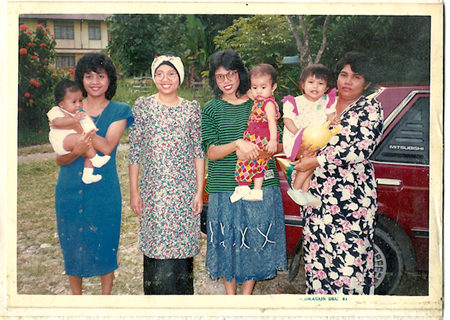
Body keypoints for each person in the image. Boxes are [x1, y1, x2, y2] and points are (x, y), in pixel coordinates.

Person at [294, 52, 384, 295]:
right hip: (316, 196)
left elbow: (361, 149)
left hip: (351, 200)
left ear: (366, 83)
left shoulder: (369, 107)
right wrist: (301, 152)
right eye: (344, 74)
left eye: (356, 77)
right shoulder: (325, 103)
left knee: (348, 267)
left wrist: (318, 160)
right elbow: (303, 136)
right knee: (317, 263)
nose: (348, 81)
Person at [201, 49, 287, 295]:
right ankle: (231, 298)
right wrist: (238, 143)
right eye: (220, 77)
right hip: (224, 186)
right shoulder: (210, 108)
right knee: (228, 243)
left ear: (241, 74)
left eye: (231, 74)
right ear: (214, 80)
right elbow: (212, 152)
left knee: (256, 243)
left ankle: (246, 297)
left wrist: (259, 153)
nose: (226, 81)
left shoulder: (262, 101)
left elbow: (280, 144)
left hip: (260, 186)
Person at [54, 52, 134, 295]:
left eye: (101, 75)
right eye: (88, 76)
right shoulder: (68, 108)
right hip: (68, 187)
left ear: (110, 80)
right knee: (72, 242)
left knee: (105, 242)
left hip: (104, 189)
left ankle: (105, 300)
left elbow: (107, 147)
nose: (95, 81)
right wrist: (76, 149)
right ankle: (77, 301)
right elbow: (60, 156)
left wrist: (80, 123)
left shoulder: (119, 110)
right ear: (81, 79)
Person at [128, 55, 205, 295]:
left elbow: (198, 152)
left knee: (181, 250)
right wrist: (134, 191)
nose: (165, 79)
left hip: (183, 193)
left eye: (171, 73)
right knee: (156, 247)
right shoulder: (143, 106)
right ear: (153, 76)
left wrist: (199, 192)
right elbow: (135, 151)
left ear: (179, 77)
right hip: (154, 193)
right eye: (160, 73)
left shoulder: (191, 109)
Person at [282, 64, 340, 206]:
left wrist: (334, 119)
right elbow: (287, 120)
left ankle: (305, 191)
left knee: (311, 165)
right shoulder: (294, 102)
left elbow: (330, 114)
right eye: (311, 82)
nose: (315, 86)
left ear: (326, 88)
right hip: (298, 140)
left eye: (320, 83)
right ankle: (295, 188)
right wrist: (297, 133)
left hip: (315, 139)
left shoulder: (326, 100)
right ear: (302, 85)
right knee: (309, 161)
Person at [230, 63, 280, 203]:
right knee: (259, 164)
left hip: (261, 138)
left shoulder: (268, 103)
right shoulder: (260, 99)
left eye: (263, 87)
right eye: (255, 87)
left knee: (244, 160)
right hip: (257, 136)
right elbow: (249, 93)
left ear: (273, 87)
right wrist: (253, 91)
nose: (258, 91)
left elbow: (272, 122)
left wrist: (272, 141)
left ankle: (243, 186)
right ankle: (257, 191)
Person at [48, 79, 111, 184]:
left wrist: (89, 123)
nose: (78, 105)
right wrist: (73, 120)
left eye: (80, 101)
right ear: (62, 104)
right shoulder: (56, 111)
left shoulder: (78, 113)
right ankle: (96, 159)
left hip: (72, 140)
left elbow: (85, 124)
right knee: (83, 140)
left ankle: (88, 175)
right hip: (61, 140)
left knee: (88, 149)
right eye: (74, 102)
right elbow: (56, 122)